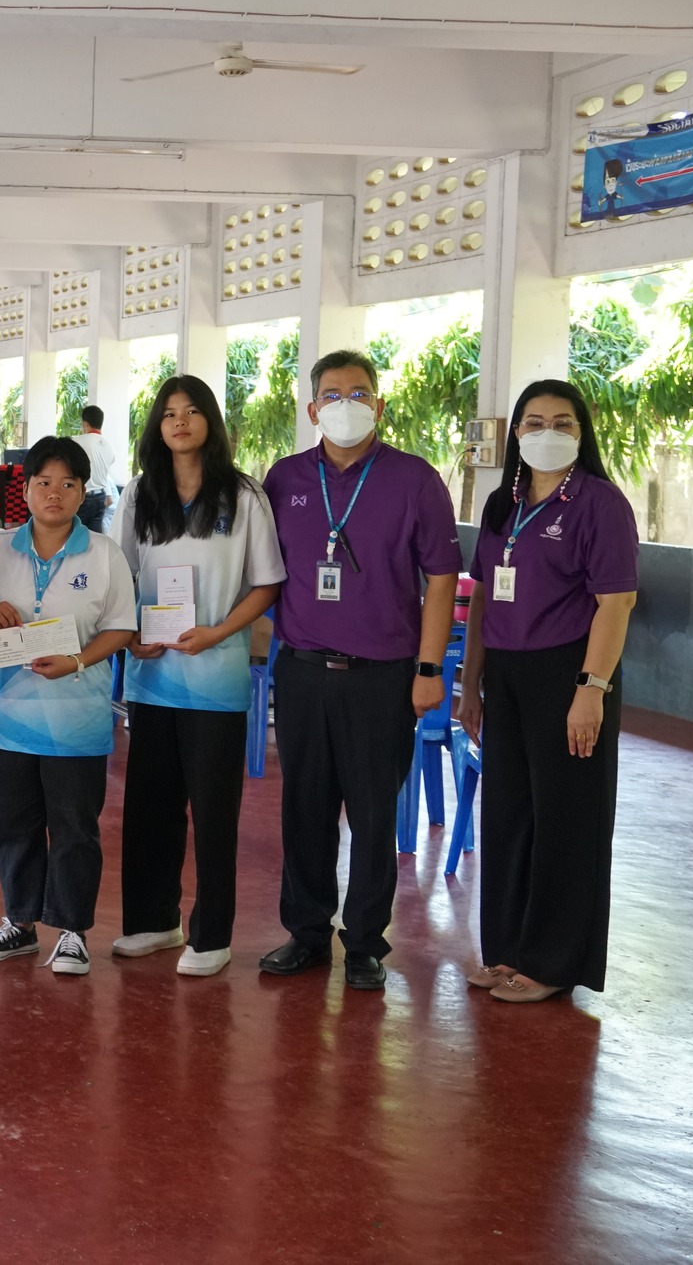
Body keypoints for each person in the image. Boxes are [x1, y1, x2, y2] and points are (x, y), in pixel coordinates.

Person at [259, 350, 461, 990]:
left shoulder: (414, 479)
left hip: (383, 674)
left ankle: (367, 942)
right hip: (302, 670)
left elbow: (441, 578)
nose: (345, 403)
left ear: (378, 403)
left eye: (359, 392)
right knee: (305, 809)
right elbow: (263, 574)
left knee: (374, 815)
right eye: (332, 393)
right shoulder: (285, 478)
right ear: (313, 407)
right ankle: (307, 933)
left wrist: (430, 668)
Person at [457, 381, 637, 1003]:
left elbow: (616, 601)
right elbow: (481, 594)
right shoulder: (500, 505)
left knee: (566, 818)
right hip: (505, 673)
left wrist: (592, 689)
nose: (546, 431)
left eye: (562, 421)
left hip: (569, 672)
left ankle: (554, 961)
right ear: (516, 433)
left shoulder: (599, 503)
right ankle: (505, 949)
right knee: (507, 815)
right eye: (533, 421)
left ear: (581, 433)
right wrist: (470, 682)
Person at [111, 376, 285, 978]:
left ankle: (211, 935)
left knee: (213, 810)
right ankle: (153, 922)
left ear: (210, 420)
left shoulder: (243, 496)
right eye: (167, 413)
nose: (178, 422)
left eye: (190, 412)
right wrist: (133, 633)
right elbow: (121, 576)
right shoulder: (139, 495)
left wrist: (217, 632)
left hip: (215, 674)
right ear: (156, 427)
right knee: (150, 805)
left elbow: (266, 582)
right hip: (152, 674)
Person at [0, 437, 136, 976]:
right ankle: (19, 922)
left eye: (68, 483)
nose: (55, 493)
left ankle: (72, 930)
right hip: (7, 716)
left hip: (76, 717)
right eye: (44, 482)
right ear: (26, 487)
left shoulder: (104, 554)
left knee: (74, 825)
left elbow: (122, 628)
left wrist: (79, 661)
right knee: (13, 821)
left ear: (84, 491)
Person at [71, 405, 118, 533]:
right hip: (101, 498)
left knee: (76, 537)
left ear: (85, 424)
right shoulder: (109, 447)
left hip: (83, 498)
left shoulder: (76, 442)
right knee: (94, 539)